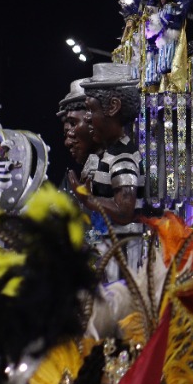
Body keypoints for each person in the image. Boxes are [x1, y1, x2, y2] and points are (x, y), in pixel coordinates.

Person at [66, 63, 144, 279]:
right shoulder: (111, 155)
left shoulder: (123, 157)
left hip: (122, 255)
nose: (88, 117)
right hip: (111, 248)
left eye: (91, 110)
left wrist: (89, 200)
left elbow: (124, 209)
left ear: (113, 107)